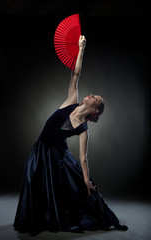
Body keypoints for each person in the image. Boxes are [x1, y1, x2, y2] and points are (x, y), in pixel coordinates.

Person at [13, 35, 128, 236]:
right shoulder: (71, 100)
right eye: (94, 94)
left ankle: (109, 219)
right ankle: (38, 220)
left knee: (82, 188)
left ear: (95, 111)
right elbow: (75, 74)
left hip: (59, 158)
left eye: (96, 98)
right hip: (40, 151)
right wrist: (81, 48)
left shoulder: (83, 128)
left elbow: (83, 158)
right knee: (33, 183)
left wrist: (86, 180)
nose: (92, 95)